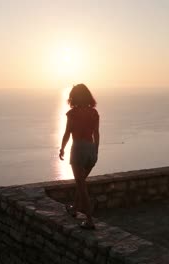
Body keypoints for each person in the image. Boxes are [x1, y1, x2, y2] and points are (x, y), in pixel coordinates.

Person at [59, 83, 99, 229]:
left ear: (73, 97)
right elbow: (96, 134)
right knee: (80, 181)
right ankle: (74, 209)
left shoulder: (72, 113)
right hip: (91, 149)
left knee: (82, 187)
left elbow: (67, 133)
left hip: (78, 149)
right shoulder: (94, 113)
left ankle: (89, 220)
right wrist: (96, 151)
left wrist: (62, 148)